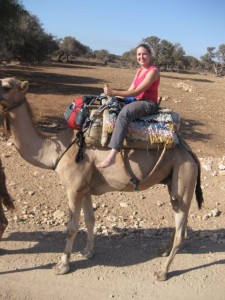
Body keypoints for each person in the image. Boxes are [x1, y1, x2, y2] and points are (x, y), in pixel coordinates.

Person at [96, 43, 160, 169]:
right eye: (138, 54)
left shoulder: (153, 71)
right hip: (135, 100)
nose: (141, 57)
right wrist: (114, 97)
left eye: (144, 54)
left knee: (125, 113)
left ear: (150, 55)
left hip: (147, 103)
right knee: (106, 101)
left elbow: (136, 92)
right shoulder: (139, 71)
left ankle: (112, 156)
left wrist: (114, 92)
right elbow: (131, 89)